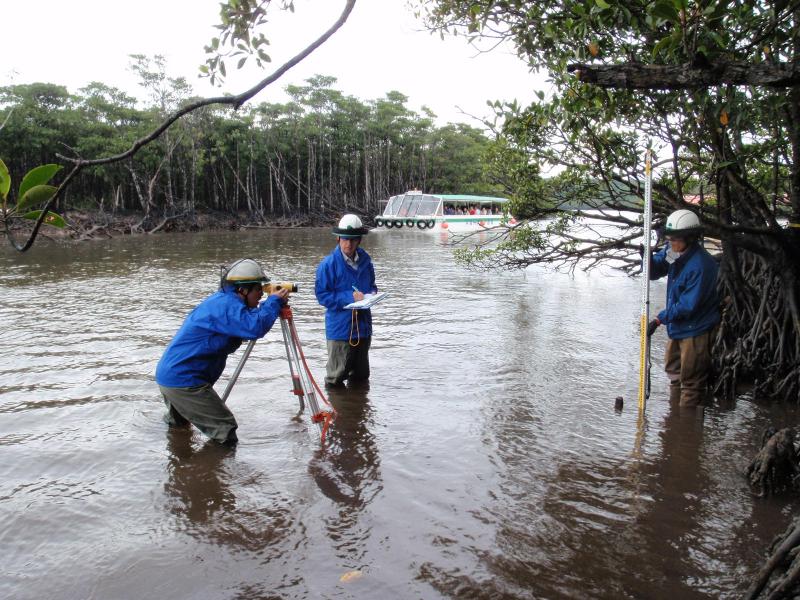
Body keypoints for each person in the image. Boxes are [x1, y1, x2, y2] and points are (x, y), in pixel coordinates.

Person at [155, 258, 289, 444]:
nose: (261, 294)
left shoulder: (223, 301)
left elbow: (246, 323)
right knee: (224, 429)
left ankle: (182, 467)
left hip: (171, 376)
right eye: (258, 288)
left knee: (179, 429)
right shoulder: (226, 306)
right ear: (242, 289)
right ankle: (217, 471)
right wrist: (274, 302)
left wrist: (270, 303)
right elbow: (255, 327)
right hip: (185, 380)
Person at [647, 209, 720, 407]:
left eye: (675, 239)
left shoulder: (701, 266)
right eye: (669, 239)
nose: (671, 243)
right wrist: (647, 260)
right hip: (678, 327)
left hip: (696, 329)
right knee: (674, 374)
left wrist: (659, 319)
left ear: (690, 238)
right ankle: (674, 425)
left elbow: (688, 306)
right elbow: (657, 270)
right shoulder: (675, 251)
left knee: (691, 382)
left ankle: (687, 426)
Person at [315, 214, 377, 387]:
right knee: (335, 378)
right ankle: (337, 412)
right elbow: (322, 295)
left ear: (359, 240)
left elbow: (372, 286)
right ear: (338, 239)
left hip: (363, 329)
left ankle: (358, 413)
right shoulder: (328, 265)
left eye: (352, 240)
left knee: (361, 378)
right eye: (345, 239)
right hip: (341, 329)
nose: (348, 244)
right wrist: (349, 297)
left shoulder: (366, 261)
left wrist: (371, 294)